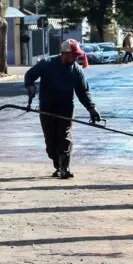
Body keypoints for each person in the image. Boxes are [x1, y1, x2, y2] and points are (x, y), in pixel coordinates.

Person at [24, 39, 101, 179]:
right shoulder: (47, 64)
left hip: (66, 108)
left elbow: (83, 91)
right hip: (47, 107)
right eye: (73, 55)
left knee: (65, 137)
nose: (76, 58)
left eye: (77, 55)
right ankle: (57, 165)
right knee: (51, 141)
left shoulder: (76, 70)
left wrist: (91, 108)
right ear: (64, 54)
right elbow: (29, 75)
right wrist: (30, 86)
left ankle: (64, 167)